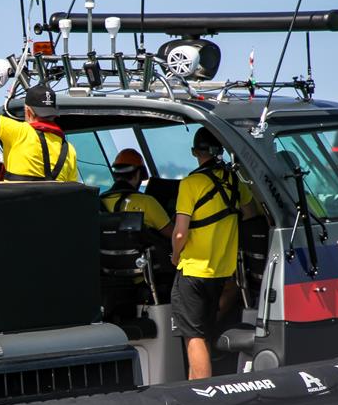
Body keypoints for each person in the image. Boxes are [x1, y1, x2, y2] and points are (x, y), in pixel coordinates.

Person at [170, 127, 255, 380]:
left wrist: (175, 257)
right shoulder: (235, 182)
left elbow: (179, 233)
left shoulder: (191, 183)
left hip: (193, 271)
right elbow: (250, 214)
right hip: (220, 272)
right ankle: (196, 387)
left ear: (196, 152)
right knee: (203, 331)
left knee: (194, 337)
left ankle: (201, 394)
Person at [100, 148, 173, 238]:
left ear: (115, 175)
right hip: (142, 252)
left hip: (106, 252)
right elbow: (173, 234)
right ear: (138, 174)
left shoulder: (99, 202)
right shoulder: (146, 202)